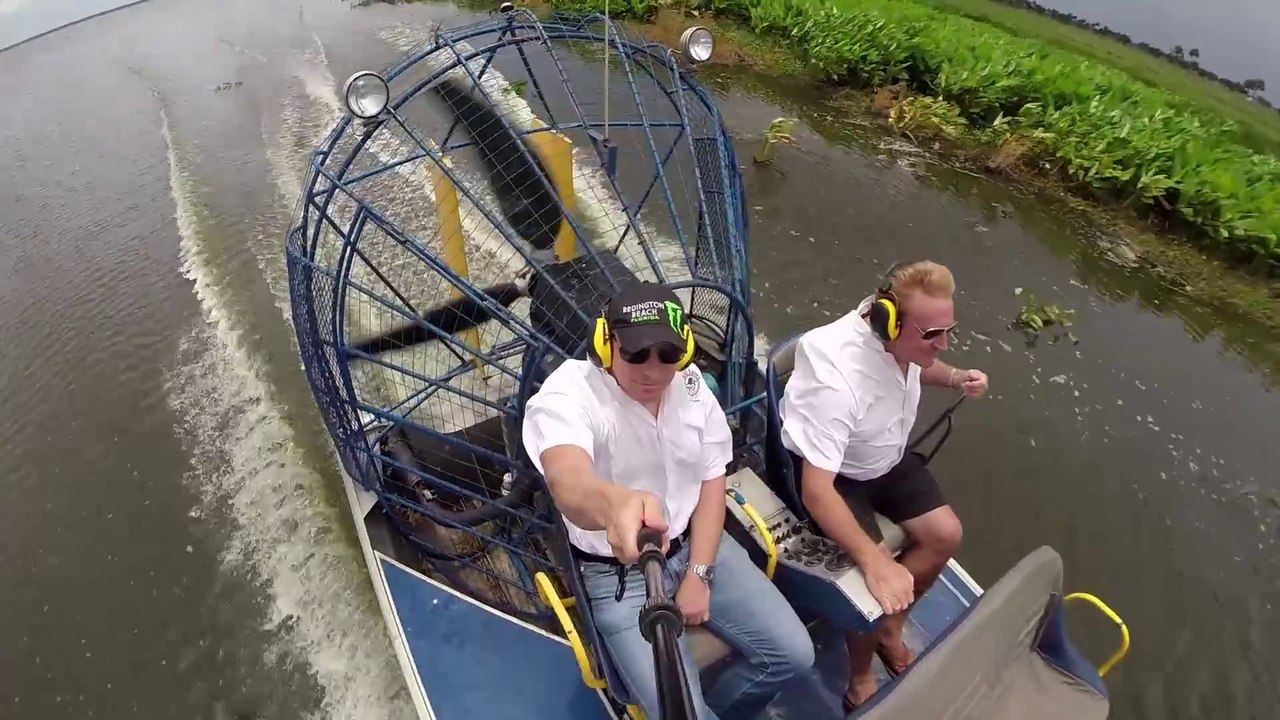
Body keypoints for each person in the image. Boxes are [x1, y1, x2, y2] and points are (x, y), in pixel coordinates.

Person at [523, 282, 815, 720]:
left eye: (668, 355)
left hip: (698, 544)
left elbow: (712, 477)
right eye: (636, 354)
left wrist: (699, 572)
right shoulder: (567, 396)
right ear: (606, 345)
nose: (654, 371)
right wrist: (614, 506)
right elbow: (569, 480)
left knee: (795, 656)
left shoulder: (691, 385)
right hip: (622, 578)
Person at [778, 260, 989, 711]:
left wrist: (954, 376)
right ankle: (858, 678)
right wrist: (876, 562)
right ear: (886, 320)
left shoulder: (905, 343)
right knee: (874, 585)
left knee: (946, 534)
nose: (943, 344)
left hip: (884, 457)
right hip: (835, 476)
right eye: (932, 334)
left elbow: (918, 364)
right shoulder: (835, 373)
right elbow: (818, 491)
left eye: (948, 330)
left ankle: (889, 629)